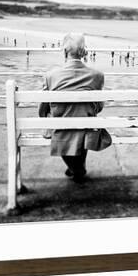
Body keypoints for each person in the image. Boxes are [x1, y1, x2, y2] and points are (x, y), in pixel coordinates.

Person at [38, 33, 112, 183]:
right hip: (87, 128)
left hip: (60, 128)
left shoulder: (50, 75)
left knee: (66, 125)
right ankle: (78, 168)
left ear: (65, 51)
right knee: (84, 123)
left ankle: (76, 168)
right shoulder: (97, 75)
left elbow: (42, 110)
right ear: (84, 52)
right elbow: (99, 107)